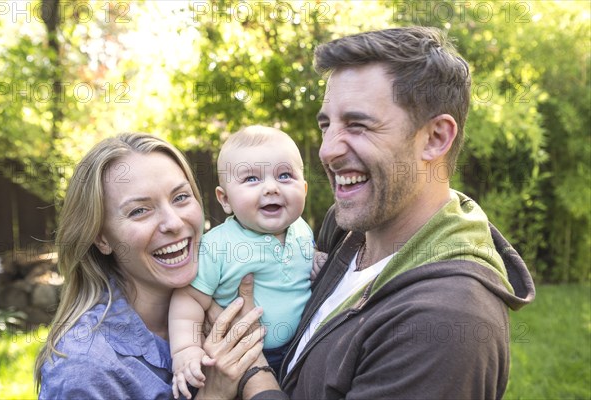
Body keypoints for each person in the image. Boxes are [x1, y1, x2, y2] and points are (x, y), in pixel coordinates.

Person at [204, 26, 536, 399]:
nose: (327, 150)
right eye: (327, 125)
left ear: (435, 138)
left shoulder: (444, 321)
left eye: (358, 125)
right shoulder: (347, 228)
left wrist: (249, 366)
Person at [34, 133, 265, 399]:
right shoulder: (86, 367)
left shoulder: (231, 295)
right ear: (102, 238)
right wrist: (213, 394)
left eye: (180, 197)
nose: (174, 223)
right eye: (139, 211)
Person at [169, 125, 314, 398]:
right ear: (225, 199)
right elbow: (188, 299)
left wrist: (316, 261)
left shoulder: (303, 230)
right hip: (236, 359)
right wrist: (185, 349)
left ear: (303, 189)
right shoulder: (218, 245)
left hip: (301, 351)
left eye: (285, 176)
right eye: (251, 179)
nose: (271, 187)